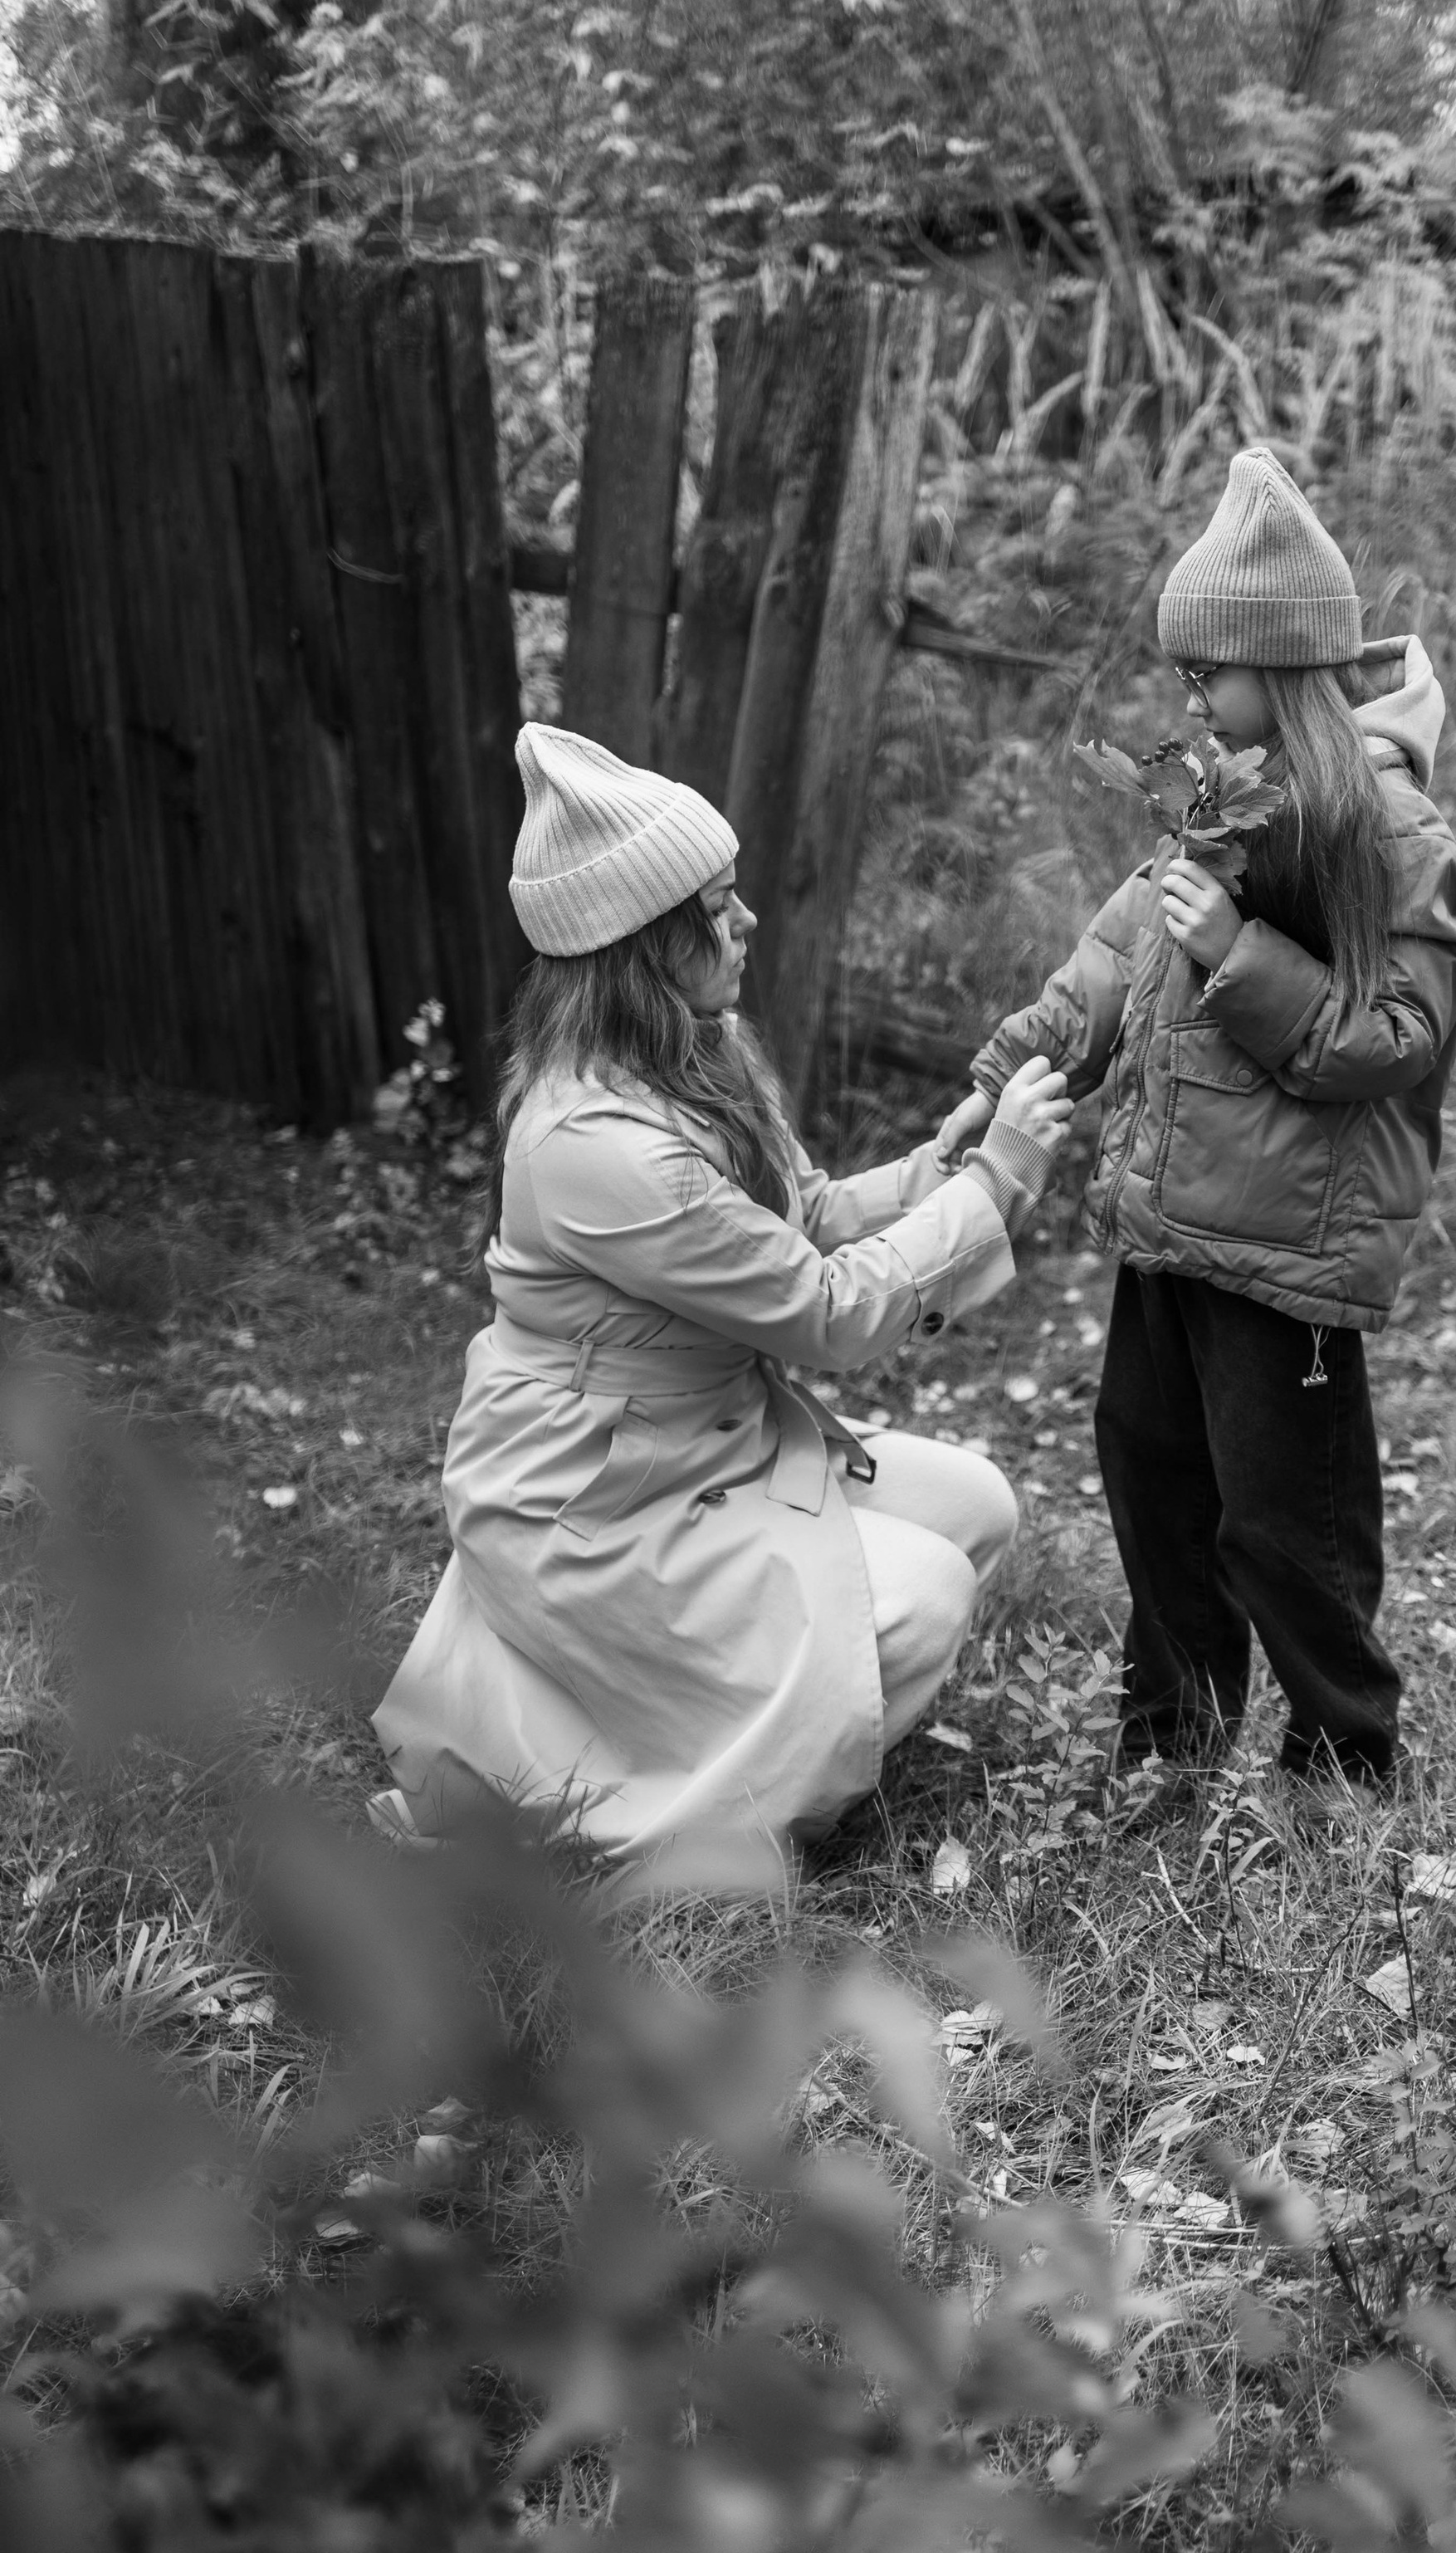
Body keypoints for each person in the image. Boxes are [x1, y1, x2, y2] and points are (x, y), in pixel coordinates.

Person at [372, 724, 1072, 1894]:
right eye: (717, 906)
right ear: (644, 947)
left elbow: (800, 1213)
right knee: (930, 1591)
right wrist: (997, 1185)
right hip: (599, 1494)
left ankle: (728, 1741)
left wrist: (936, 1170)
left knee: (976, 1510)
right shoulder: (593, 1142)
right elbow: (827, 1314)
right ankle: (709, 1837)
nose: (744, 923)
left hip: (707, 1444)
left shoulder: (701, 1051)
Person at [949, 448, 1456, 1796]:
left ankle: (1344, 1758)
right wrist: (1006, 1073)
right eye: (1183, 676)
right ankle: (1166, 1751)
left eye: (1209, 676)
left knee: (1284, 1524)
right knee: (1151, 1475)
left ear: (1285, 668)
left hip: (1282, 1256)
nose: (1188, 699)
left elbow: (1400, 1041)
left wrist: (1247, 956)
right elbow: (1108, 970)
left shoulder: (1391, 840)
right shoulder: (1211, 809)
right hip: (1167, 1230)